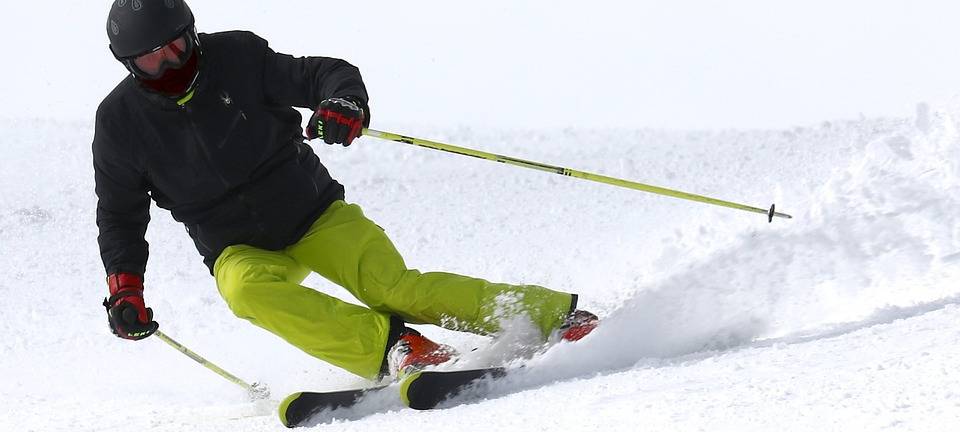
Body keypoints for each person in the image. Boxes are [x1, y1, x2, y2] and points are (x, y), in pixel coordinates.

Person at [96, 0, 598, 381]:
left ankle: (551, 315)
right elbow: (120, 214)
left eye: (176, 48)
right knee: (243, 291)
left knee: (392, 288)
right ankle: (395, 349)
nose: (167, 65)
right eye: (150, 60)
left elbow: (321, 73)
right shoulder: (120, 123)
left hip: (313, 213)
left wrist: (342, 102)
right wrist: (126, 289)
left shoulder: (237, 56)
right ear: (128, 64)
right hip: (236, 245)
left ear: (192, 35)